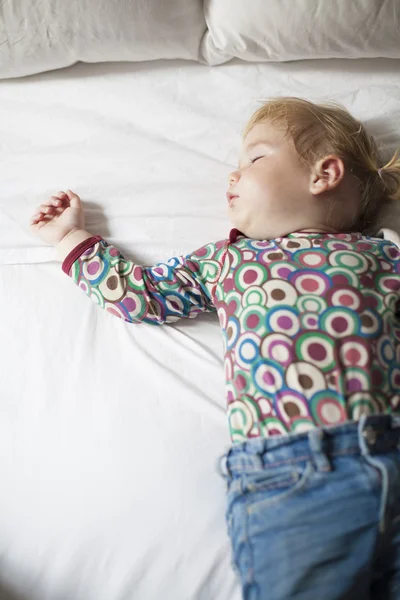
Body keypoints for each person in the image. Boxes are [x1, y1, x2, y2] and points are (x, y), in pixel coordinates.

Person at [30, 97, 400, 599]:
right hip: (293, 476)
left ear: (324, 173)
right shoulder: (225, 261)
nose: (232, 175)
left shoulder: (383, 252)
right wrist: (71, 238)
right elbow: (143, 295)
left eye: (254, 158)